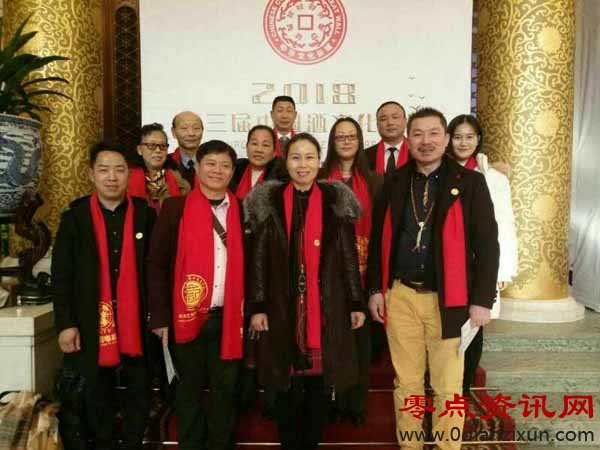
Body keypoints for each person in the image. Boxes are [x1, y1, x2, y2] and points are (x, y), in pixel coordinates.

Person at [366, 108, 499, 450]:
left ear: (445, 138)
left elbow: (488, 245)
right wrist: (375, 289)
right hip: (400, 296)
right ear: (408, 140)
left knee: (448, 387)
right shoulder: (394, 181)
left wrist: (482, 301)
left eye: (433, 133)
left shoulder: (469, 183)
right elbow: (379, 240)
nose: (426, 141)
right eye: (418, 134)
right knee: (406, 384)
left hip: (449, 299)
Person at [244, 133, 366, 450]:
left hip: (325, 304)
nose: (303, 165)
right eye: (296, 157)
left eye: (309, 157)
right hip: (281, 305)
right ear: (286, 161)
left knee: (318, 387)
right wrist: (258, 306)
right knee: (285, 387)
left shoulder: (334, 200)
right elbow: (258, 259)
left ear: (319, 161)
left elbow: (348, 256)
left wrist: (356, 302)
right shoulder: (269, 200)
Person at [52, 143, 156, 450]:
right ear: (91, 174)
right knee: (97, 393)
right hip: (90, 320)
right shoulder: (75, 217)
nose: (112, 177)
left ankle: (134, 442)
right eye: (104, 170)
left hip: (137, 320)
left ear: (129, 175)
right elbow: (62, 276)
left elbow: (157, 269)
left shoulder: (145, 215)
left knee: (139, 391)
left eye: (119, 170)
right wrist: (66, 324)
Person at [147, 140, 244, 450]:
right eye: (211, 164)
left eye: (225, 165)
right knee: (187, 392)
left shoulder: (242, 210)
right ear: (198, 168)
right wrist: (160, 317)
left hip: (228, 318)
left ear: (232, 172)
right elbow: (156, 263)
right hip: (184, 316)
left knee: (225, 393)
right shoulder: (175, 208)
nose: (217, 170)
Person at [446, 114, 518, 395]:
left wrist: (503, 269)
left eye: (469, 137)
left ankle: (462, 393)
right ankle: (442, 391)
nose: (463, 143)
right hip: (448, 264)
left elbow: (505, 225)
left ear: (478, 140)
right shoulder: (440, 172)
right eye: (458, 137)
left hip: (481, 265)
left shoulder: (495, 178)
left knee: (475, 326)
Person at [319, 117, 383, 425]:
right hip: (328, 272)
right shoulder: (320, 178)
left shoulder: (375, 181)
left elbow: (381, 230)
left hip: (364, 271)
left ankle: (356, 404)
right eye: (340, 137)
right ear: (332, 143)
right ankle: (331, 402)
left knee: (360, 341)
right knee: (332, 339)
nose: (346, 141)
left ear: (359, 141)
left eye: (351, 136)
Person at [128, 123, 190, 212]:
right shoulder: (126, 179)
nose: (158, 150)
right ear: (139, 150)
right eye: (151, 145)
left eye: (163, 146)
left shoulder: (180, 182)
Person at [230, 124, 284, 199]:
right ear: (247, 146)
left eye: (265, 145)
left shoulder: (282, 176)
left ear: (274, 152)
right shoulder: (234, 169)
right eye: (254, 143)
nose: (259, 150)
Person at [365, 101, 410, 175]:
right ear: (377, 125)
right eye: (383, 119)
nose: (390, 123)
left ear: (405, 121)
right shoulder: (365, 156)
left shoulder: (417, 152)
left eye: (395, 117)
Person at [169, 111, 204, 186]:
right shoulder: (165, 163)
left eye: (196, 128)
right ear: (173, 132)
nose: (191, 133)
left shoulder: (214, 165)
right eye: (184, 128)